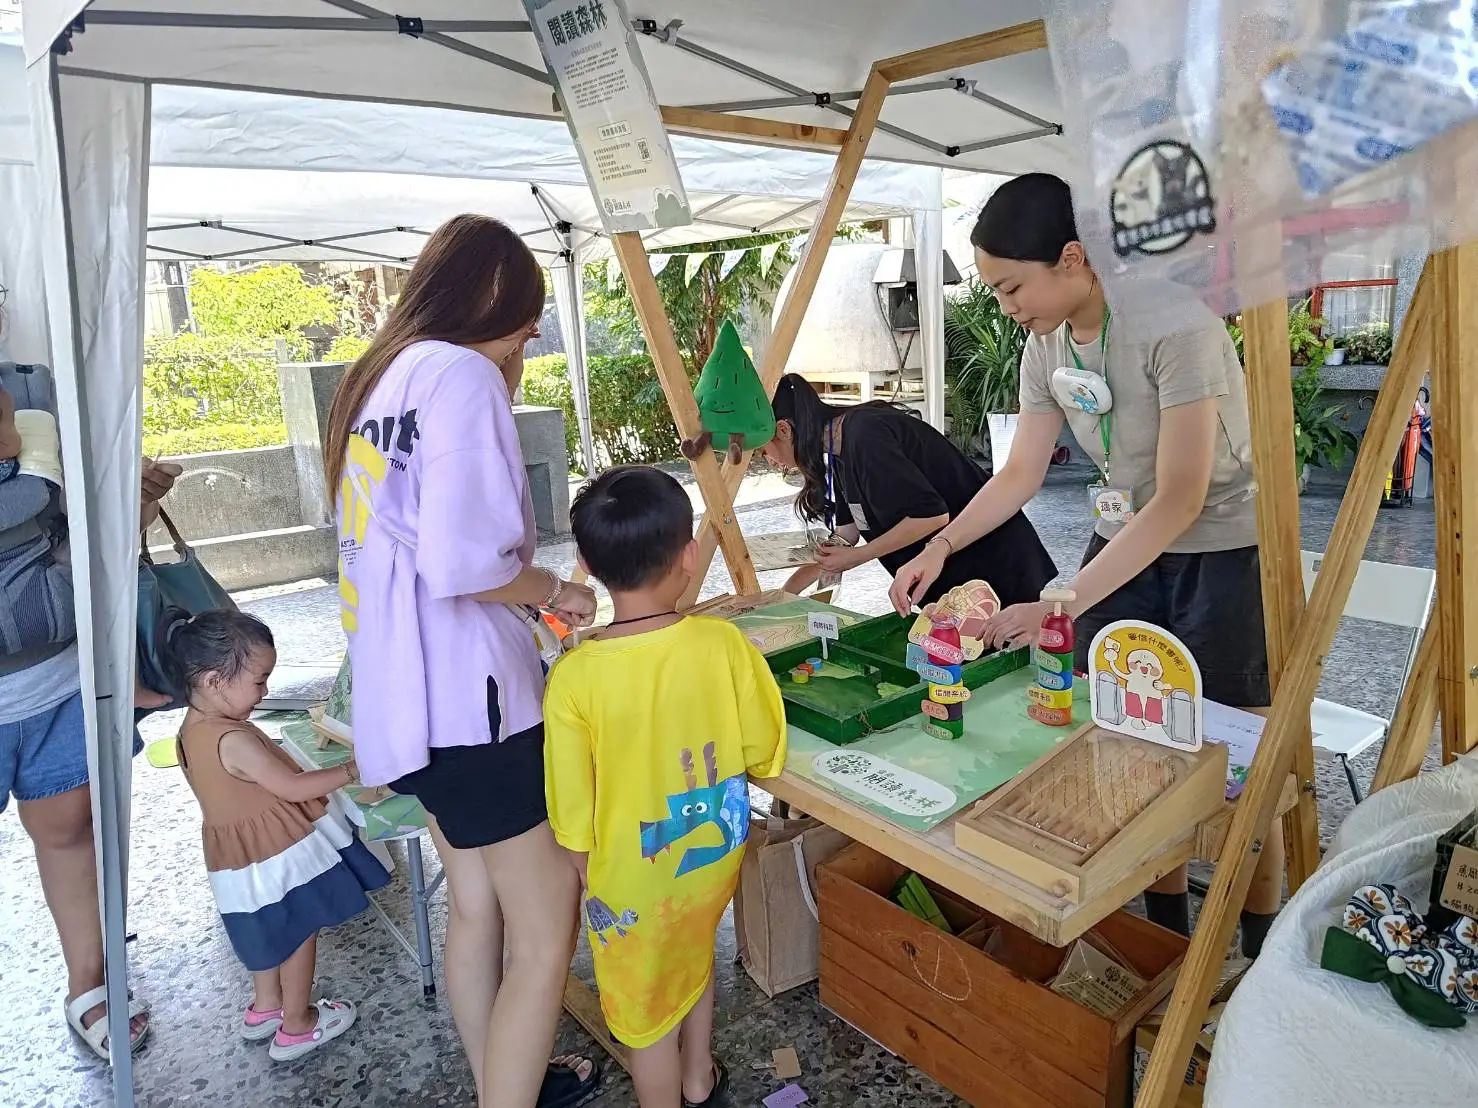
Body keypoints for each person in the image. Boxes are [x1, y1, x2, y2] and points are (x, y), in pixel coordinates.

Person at [890, 172, 1284, 955]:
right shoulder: (1046, 345)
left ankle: (1258, 946)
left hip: (1227, 551)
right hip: (1128, 536)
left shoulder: (1175, 323)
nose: (1008, 309)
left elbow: (1179, 499)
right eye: (998, 294)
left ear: (1073, 258)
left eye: (1012, 288)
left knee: (1235, 761)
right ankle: (1166, 942)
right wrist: (939, 546)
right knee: (1130, 737)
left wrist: (1060, 599)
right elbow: (1020, 473)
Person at [325, 214, 600, 1108]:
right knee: (547, 920)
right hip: (473, 710)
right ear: (493, 304)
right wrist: (553, 589)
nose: (525, 351)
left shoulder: (383, 376)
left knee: (476, 904)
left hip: (413, 704)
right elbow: (467, 562)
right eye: (526, 330)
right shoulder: (462, 375)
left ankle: (503, 1080)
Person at [544, 466, 787, 1108]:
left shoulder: (576, 676)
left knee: (644, 1013)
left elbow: (572, 815)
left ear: (591, 569)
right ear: (688, 556)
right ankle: (698, 1077)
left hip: (635, 879)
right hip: (713, 858)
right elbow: (763, 750)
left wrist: (590, 881)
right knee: (694, 950)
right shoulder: (723, 644)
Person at [1, 354, 180, 1060]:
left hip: (58, 681)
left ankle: (91, 983)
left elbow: (90, 539)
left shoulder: (36, 404)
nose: (10, 417)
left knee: (70, 828)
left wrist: (136, 497)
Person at [167, 610, 388, 1060]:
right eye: (259, 680)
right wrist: (353, 768)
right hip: (278, 855)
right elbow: (290, 788)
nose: (265, 691)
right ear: (213, 680)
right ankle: (297, 1023)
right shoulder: (234, 739)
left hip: (240, 861)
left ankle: (266, 1006)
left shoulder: (192, 732)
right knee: (299, 933)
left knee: (269, 932)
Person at [764, 374, 1056, 610]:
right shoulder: (838, 450)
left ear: (784, 431)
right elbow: (845, 538)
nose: (769, 460)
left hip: (995, 566)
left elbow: (930, 517)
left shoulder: (865, 436)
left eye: (764, 451)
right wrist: (782, 597)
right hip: (955, 585)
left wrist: (860, 556)